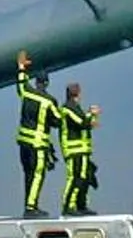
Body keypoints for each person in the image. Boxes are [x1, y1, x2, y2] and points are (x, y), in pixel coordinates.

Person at [13, 51, 60, 215]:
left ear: (36, 81)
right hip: (38, 144)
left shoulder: (27, 92)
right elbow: (57, 121)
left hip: (23, 143)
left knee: (27, 175)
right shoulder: (49, 101)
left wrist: (21, 68)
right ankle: (31, 207)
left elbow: (20, 83)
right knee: (37, 175)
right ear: (46, 83)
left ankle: (29, 204)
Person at [58, 82, 100, 214]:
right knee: (75, 177)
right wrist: (91, 115)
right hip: (74, 150)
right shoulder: (67, 109)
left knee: (84, 177)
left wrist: (90, 117)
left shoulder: (75, 108)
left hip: (82, 150)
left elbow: (84, 123)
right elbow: (81, 122)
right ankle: (68, 206)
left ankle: (81, 205)